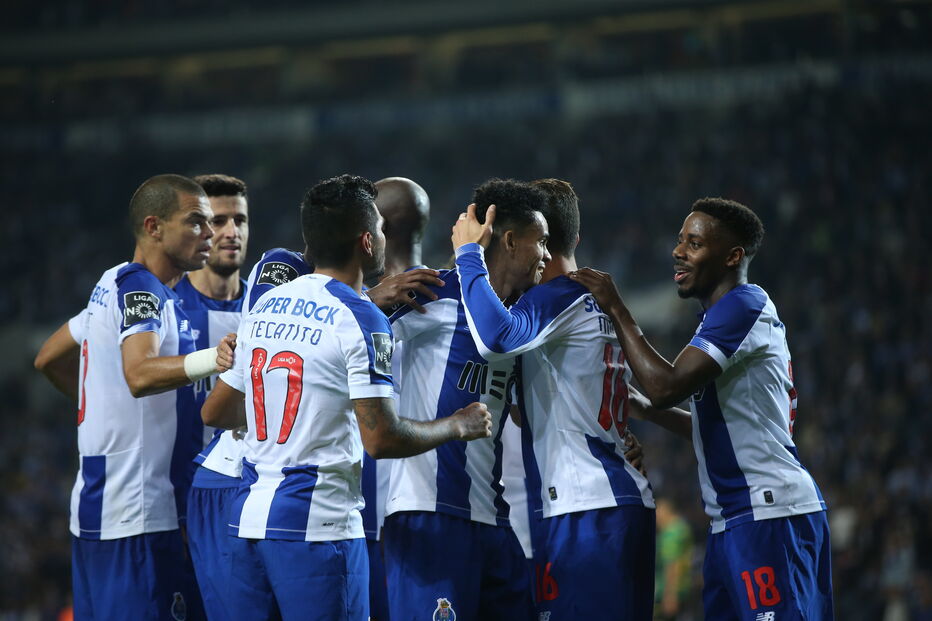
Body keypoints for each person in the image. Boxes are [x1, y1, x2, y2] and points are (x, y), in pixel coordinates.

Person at [201, 174, 492, 621]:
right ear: (367, 242)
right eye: (378, 226)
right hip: (318, 525)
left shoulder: (267, 306)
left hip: (247, 522)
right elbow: (381, 439)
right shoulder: (361, 316)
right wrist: (457, 425)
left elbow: (215, 411)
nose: (382, 233)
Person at [570, 197, 833, 620]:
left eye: (693, 243)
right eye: (680, 241)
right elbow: (716, 424)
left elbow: (665, 386)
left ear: (732, 256)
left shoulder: (743, 306)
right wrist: (643, 407)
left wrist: (616, 308)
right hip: (733, 521)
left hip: (768, 514)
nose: (678, 251)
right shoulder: (720, 319)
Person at [450, 179, 659, 619]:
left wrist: (468, 257)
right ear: (577, 237)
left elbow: (498, 337)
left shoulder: (559, 295)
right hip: (597, 501)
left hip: (587, 508)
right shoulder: (593, 301)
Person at [35, 174, 235, 620]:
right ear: (154, 227)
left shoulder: (110, 284)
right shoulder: (141, 290)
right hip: (138, 514)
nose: (211, 233)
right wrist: (213, 358)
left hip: (97, 508)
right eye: (196, 222)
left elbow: (48, 358)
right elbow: (140, 374)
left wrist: (104, 404)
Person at [382, 178, 546, 621]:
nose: (546, 255)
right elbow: (336, 343)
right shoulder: (431, 293)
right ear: (510, 240)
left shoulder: (522, 317)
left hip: (491, 516)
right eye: (541, 242)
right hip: (427, 513)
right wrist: (368, 301)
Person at [178, 174, 250, 621]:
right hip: (177, 514)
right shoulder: (164, 305)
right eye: (218, 220)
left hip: (246, 507)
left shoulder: (269, 309)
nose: (230, 231)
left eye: (240, 219)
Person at [360, 176, 432, 621]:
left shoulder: (344, 302)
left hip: (363, 506)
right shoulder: (460, 296)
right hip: (428, 502)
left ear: (376, 226)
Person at [654, 497, 694, 621]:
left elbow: (672, 564)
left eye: (658, 511)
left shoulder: (672, 533)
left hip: (668, 592)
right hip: (682, 588)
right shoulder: (682, 527)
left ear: (666, 511)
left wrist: (670, 595)